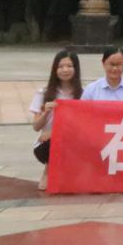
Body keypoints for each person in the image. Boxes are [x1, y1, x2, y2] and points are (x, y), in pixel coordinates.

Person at [30, 50, 82, 190]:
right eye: (60, 66)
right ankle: (47, 172)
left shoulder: (83, 94)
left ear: (76, 68)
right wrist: (46, 112)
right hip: (47, 145)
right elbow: (36, 127)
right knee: (55, 142)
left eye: (69, 66)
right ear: (55, 69)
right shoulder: (43, 93)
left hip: (73, 142)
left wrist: (54, 133)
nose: (65, 70)